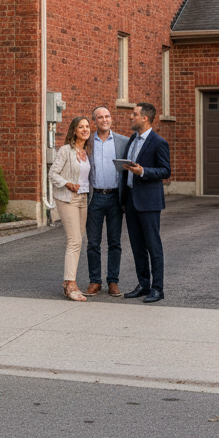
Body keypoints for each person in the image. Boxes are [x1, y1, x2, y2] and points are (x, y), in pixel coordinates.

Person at [120, 101, 171, 303]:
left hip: (149, 202)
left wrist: (143, 171)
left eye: (134, 114)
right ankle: (143, 284)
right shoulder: (133, 138)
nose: (131, 117)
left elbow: (165, 171)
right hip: (131, 200)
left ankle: (158, 288)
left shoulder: (159, 142)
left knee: (153, 246)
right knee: (137, 245)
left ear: (145, 118)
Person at [84, 105, 129, 296]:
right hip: (94, 198)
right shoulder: (87, 142)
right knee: (93, 242)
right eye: (100, 117)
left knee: (114, 242)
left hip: (114, 198)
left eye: (107, 116)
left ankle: (113, 281)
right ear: (94, 121)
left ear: (111, 119)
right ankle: (95, 281)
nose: (104, 119)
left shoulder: (123, 142)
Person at [49, 115, 93, 301]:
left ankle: (68, 283)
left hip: (83, 199)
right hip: (68, 198)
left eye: (87, 126)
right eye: (81, 127)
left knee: (79, 240)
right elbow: (52, 173)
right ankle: (71, 284)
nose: (85, 129)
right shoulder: (66, 150)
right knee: (74, 240)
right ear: (74, 131)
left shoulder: (87, 152)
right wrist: (67, 183)